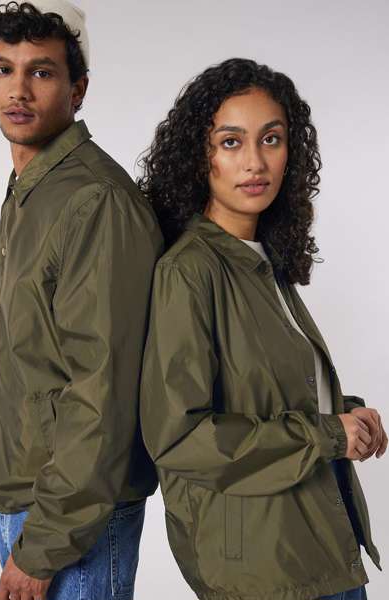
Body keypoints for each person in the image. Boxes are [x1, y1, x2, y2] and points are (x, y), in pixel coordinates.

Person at [138, 58, 386, 600]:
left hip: (317, 547)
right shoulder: (190, 271)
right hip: (262, 567)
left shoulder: (262, 261)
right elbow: (179, 438)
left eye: (270, 139)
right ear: (198, 155)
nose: (255, 161)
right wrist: (327, 434)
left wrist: (346, 414)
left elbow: (263, 394)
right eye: (231, 142)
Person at [0, 2, 163, 599]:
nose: (18, 90)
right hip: (34, 502)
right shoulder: (33, 189)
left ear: (78, 89)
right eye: (3, 69)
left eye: (42, 71)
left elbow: (103, 390)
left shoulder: (94, 199)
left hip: (72, 518)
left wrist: (46, 543)